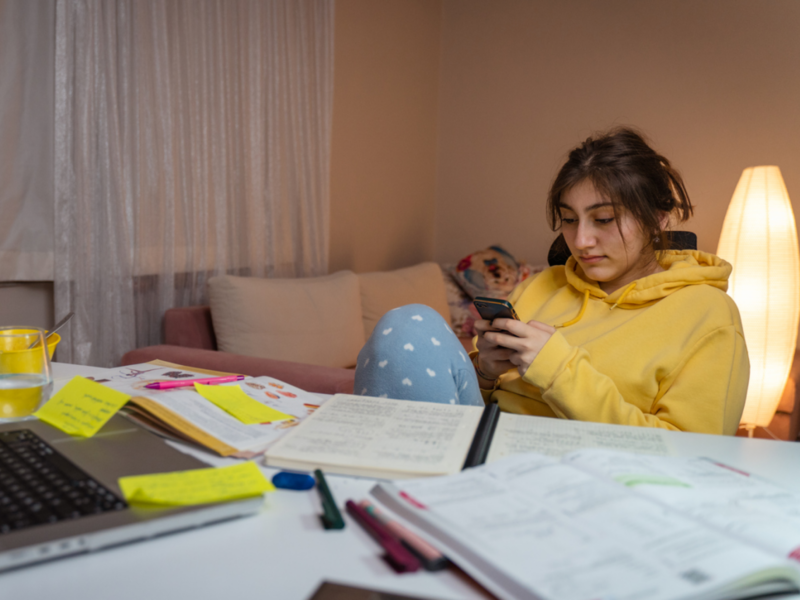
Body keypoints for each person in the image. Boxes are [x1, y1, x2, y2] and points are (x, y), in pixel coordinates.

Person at [355, 127, 749, 435]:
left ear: (659, 219)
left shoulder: (709, 316)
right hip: (485, 443)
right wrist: (487, 370)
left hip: (588, 470)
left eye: (604, 219)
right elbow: (476, 393)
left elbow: (691, 454)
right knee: (408, 326)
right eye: (570, 219)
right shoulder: (545, 285)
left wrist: (558, 369)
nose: (581, 241)